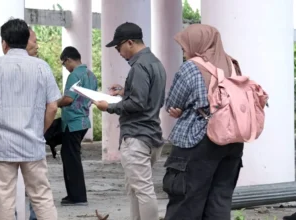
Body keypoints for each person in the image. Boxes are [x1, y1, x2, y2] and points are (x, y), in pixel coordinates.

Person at [0, 18, 60, 220]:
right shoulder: (42, 67)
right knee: (42, 197)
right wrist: (39, 131)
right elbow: (53, 106)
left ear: (4, 42)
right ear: (27, 39)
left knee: (5, 199)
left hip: (2, 146)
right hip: (33, 145)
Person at [162, 24, 244, 220]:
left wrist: (180, 109)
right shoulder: (232, 64)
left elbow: (172, 103)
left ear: (197, 43)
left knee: (186, 201)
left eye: (184, 46)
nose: (184, 51)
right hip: (232, 141)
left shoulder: (192, 67)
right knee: (219, 200)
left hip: (198, 141)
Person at [93, 22, 166, 220]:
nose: (118, 52)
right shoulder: (155, 63)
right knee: (136, 188)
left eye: (119, 47)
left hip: (137, 136)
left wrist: (109, 106)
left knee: (142, 190)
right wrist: (125, 92)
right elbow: (151, 97)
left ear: (130, 43)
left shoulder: (140, 66)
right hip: (151, 134)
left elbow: (138, 104)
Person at [57, 46, 98, 206]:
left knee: (71, 159)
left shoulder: (75, 75)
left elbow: (68, 99)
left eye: (63, 64)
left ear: (68, 59)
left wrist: (53, 104)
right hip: (83, 121)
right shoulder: (91, 75)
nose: (65, 68)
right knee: (71, 156)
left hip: (73, 123)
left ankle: (77, 196)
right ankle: (75, 195)